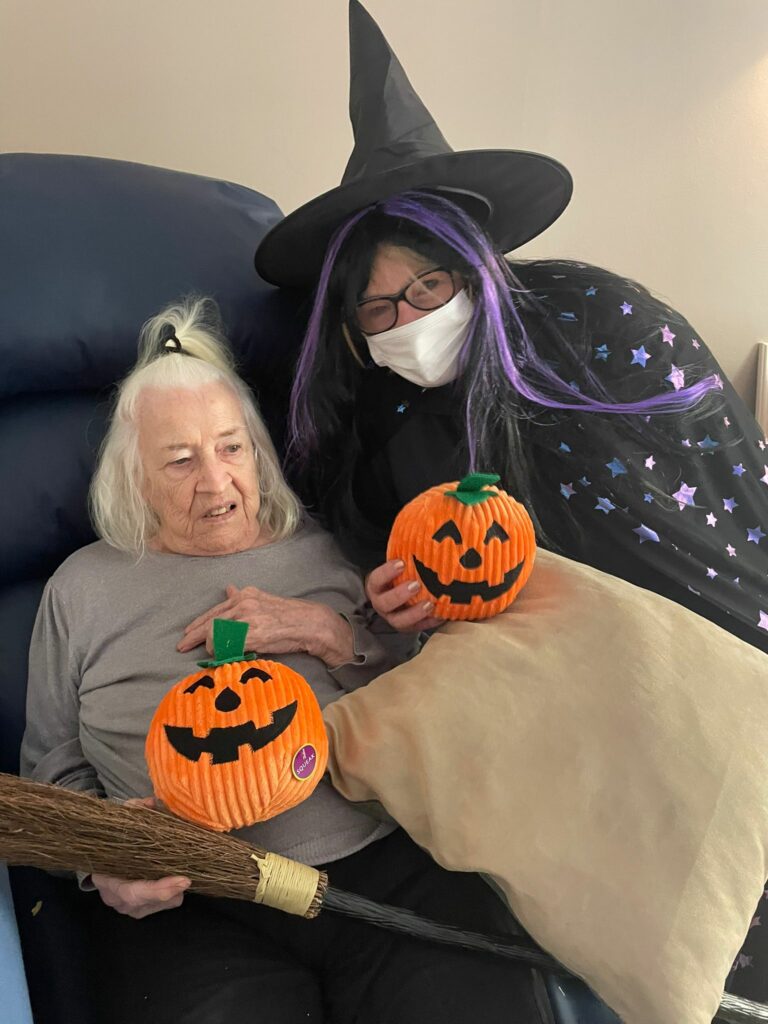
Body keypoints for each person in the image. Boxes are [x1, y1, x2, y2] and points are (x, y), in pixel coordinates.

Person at [253, 0, 768, 1003]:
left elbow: (701, 498)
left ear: (474, 269)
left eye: (427, 288)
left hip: (697, 661)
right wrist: (400, 608)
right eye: (378, 307)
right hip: (557, 706)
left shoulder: (595, 321)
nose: (407, 320)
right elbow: (418, 586)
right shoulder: (378, 430)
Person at [21, 297, 555, 1024]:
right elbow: (50, 770)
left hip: (379, 862)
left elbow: (427, 703)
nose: (216, 482)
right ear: (132, 479)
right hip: (193, 896)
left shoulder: (332, 549)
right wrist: (103, 859)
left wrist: (329, 633)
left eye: (231, 448)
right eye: (179, 460)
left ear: (258, 453)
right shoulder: (81, 588)